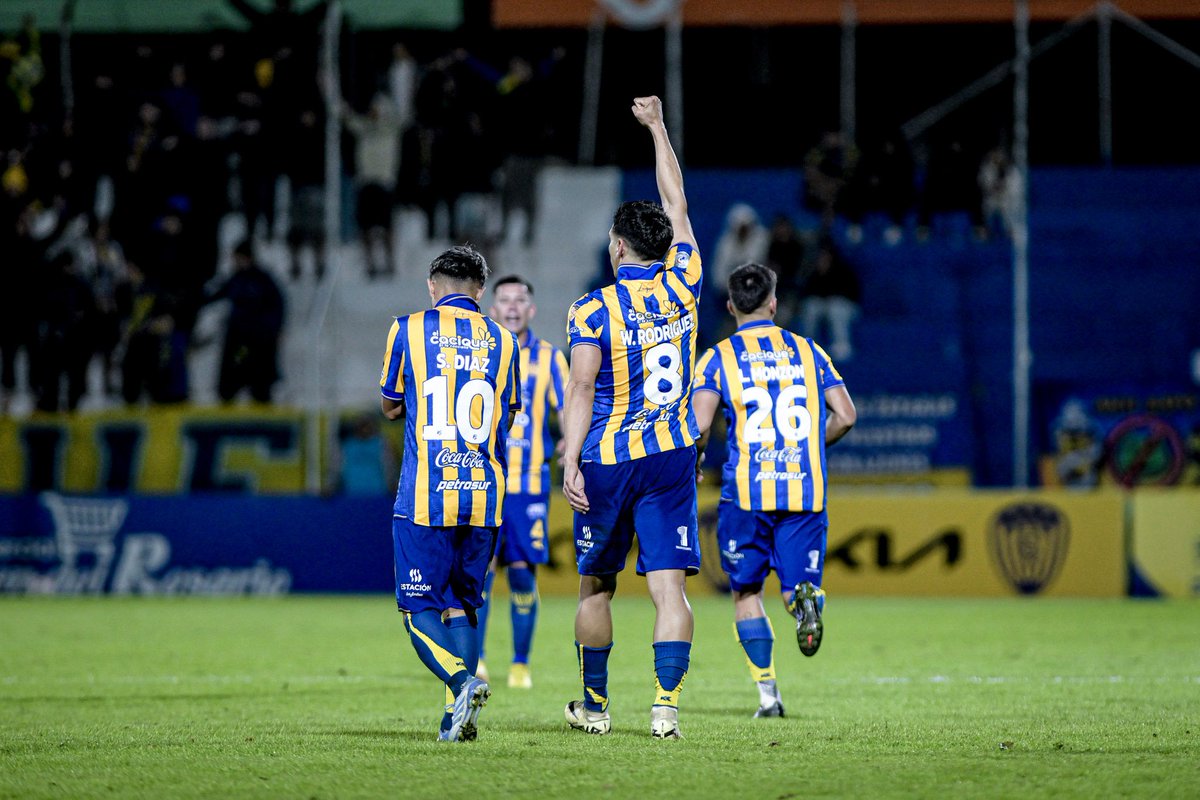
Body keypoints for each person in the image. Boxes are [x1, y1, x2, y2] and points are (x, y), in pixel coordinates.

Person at [561, 96, 701, 740]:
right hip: (673, 454)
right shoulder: (685, 280)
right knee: (669, 590)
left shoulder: (591, 311)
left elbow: (582, 387)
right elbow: (677, 205)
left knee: (596, 586)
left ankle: (595, 706)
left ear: (617, 246)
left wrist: (568, 459)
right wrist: (658, 128)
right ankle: (665, 707)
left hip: (609, 461)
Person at [691, 262, 856, 718]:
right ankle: (805, 601)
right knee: (796, 586)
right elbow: (845, 415)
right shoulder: (808, 350)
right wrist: (805, 445)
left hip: (747, 493)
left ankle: (768, 695)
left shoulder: (718, 357)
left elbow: (701, 426)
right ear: (774, 303)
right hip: (804, 492)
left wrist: (697, 459)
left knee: (747, 594)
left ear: (729, 307)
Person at [378, 244, 521, 743]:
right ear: (481, 291)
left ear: (431, 286)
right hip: (484, 493)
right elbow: (507, 413)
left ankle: (463, 682)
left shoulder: (408, 329)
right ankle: (454, 721)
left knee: (418, 608)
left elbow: (391, 405)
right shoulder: (506, 342)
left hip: (426, 494)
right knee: (462, 604)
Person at [474, 275, 568, 689]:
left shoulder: (550, 358)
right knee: (479, 573)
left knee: (521, 573)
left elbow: (567, 409)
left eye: (519, 300)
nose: (512, 307)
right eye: (505, 300)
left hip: (528, 484)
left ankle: (519, 664)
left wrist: (571, 441)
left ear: (531, 310)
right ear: (493, 310)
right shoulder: (478, 353)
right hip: (481, 479)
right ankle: (475, 661)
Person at [205, 239, 285, 404]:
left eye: (237, 257)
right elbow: (215, 294)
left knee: (260, 386)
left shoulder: (263, 280)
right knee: (228, 384)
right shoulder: (236, 279)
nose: (235, 261)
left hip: (259, 341)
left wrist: (273, 330)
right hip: (237, 340)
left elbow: (278, 307)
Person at [799, 234, 861, 362]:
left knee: (835, 307)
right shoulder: (813, 273)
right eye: (820, 257)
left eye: (825, 256)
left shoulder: (844, 270)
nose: (822, 260)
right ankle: (808, 346)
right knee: (811, 307)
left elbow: (850, 294)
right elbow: (807, 294)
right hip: (823, 305)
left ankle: (842, 345)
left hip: (846, 307)